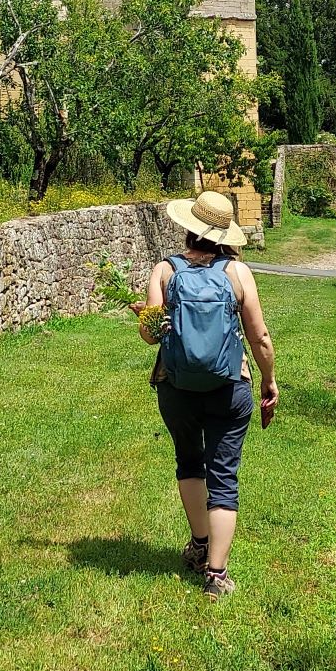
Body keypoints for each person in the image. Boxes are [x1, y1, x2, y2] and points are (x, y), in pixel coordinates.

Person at [137, 189, 278, 600]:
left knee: (188, 461)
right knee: (224, 475)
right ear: (224, 234)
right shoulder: (238, 273)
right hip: (230, 387)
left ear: (188, 227)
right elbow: (260, 336)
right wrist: (269, 380)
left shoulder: (164, 270)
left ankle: (199, 543)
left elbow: (149, 335)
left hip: (176, 387)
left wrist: (147, 316)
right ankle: (216, 574)